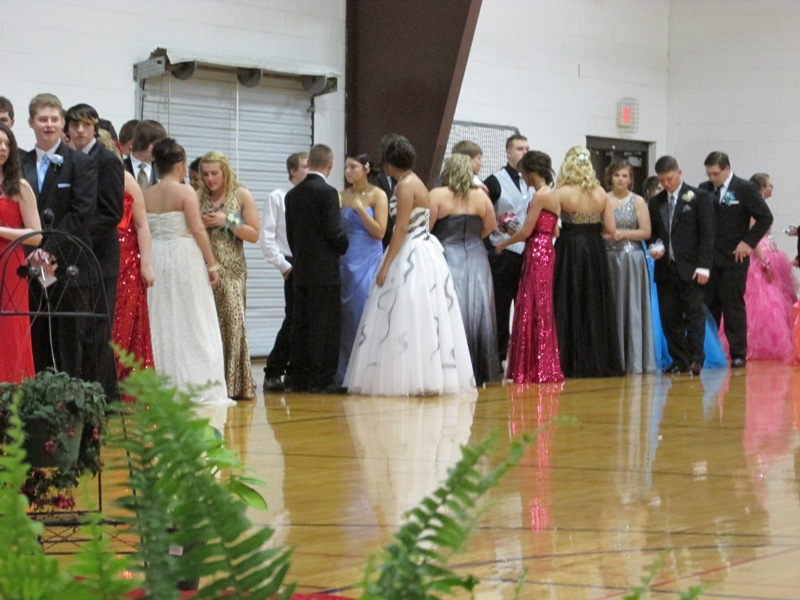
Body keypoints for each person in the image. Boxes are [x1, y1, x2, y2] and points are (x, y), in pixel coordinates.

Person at [343, 138, 475, 396]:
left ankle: (410, 376)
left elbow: (401, 228)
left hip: (411, 250)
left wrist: (385, 266)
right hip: (423, 249)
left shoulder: (405, 186)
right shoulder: (412, 181)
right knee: (418, 311)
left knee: (406, 310)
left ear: (390, 164)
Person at [144, 138, 232, 406]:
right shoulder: (185, 192)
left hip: (157, 254)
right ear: (180, 164)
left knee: (161, 316)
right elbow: (197, 230)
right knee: (194, 317)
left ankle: (162, 381)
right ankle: (194, 382)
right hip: (184, 256)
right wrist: (212, 263)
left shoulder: (146, 193)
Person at [22, 93, 98, 378]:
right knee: (34, 337)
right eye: (43, 119)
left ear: (62, 122)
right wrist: (31, 250)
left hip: (68, 264)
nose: (49, 125)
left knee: (67, 340)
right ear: (31, 122)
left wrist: (49, 250)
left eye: (54, 119)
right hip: (27, 264)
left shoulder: (80, 163)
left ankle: (67, 400)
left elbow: (81, 213)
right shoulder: (20, 163)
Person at [64, 103, 125, 403]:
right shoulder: (66, 158)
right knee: (78, 328)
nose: (79, 130)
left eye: (85, 125)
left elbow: (112, 212)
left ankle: (104, 397)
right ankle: (86, 393)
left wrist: (77, 239)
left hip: (100, 255)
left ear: (95, 128)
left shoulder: (108, 160)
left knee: (98, 328)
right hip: (73, 256)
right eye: (74, 125)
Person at [430, 153, 500, 386]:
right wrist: (473, 238)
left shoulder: (437, 194)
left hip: (447, 254)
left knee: (452, 309)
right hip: (477, 256)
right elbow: (491, 226)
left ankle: (453, 369)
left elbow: (426, 228)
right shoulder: (481, 196)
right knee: (480, 310)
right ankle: (481, 369)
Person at [552, 146, 622, 378]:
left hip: (569, 249)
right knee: (594, 301)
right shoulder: (601, 193)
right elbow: (611, 229)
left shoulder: (560, 192)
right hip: (594, 250)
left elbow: (553, 229)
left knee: (568, 299)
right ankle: (597, 360)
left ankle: (568, 361)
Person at [494, 150, 563, 384]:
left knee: (530, 306)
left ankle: (532, 367)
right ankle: (541, 365)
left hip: (536, 252)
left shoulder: (540, 196)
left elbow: (525, 231)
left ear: (532, 173)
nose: (522, 177)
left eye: (524, 173)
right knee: (540, 306)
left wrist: (503, 243)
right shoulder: (552, 195)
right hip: (546, 250)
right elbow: (555, 231)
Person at [285, 144, 349, 394]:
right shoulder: (328, 193)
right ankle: (322, 379)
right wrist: (344, 244)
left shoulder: (293, 195)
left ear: (310, 163)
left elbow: (291, 234)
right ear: (330, 164)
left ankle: (300, 377)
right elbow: (334, 231)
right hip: (324, 271)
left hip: (301, 269)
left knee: (301, 324)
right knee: (325, 325)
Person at [699, 151, 773, 367]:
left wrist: (748, 242)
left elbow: (765, 217)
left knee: (733, 306)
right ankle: (708, 352)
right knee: (708, 306)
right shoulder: (704, 189)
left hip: (734, 258)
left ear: (727, 168)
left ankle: (738, 352)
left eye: (715, 173)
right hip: (709, 259)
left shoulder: (745, 188)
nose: (711, 178)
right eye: (708, 174)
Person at [199, 150, 259, 400]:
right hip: (205, 268)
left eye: (214, 173)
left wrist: (228, 221)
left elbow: (254, 233)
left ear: (225, 172)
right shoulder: (198, 196)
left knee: (234, 323)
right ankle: (211, 382)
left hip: (233, 269)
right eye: (205, 174)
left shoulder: (241, 194)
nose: (210, 179)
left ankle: (235, 384)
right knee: (209, 324)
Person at [648, 155, 715, 376]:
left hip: (692, 269)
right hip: (666, 268)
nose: (666, 184)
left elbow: (707, 234)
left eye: (669, 179)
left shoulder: (699, 197)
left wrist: (704, 266)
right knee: (670, 317)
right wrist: (654, 246)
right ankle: (679, 359)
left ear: (679, 172)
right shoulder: (655, 202)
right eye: (662, 180)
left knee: (694, 315)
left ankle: (696, 358)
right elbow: (654, 234)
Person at [336, 153, 388, 386]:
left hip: (368, 261)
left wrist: (360, 210)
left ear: (366, 169)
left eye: (353, 167)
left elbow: (380, 232)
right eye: (346, 167)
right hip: (346, 261)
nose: (348, 171)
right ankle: (343, 374)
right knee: (345, 318)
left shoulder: (378, 195)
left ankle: (368, 373)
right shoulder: (342, 195)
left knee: (364, 314)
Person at [261, 151, 309, 392]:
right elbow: (267, 236)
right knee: (293, 318)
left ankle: (295, 370)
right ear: (293, 170)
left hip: (311, 261)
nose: (310, 170)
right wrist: (284, 265)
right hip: (291, 261)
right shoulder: (278, 197)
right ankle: (273, 369)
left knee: (307, 319)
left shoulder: (312, 195)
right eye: (305, 166)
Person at [604, 159, 656, 374]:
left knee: (632, 304)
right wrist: (607, 237)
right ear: (610, 177)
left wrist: (623, 233)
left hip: (632, 258)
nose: (620, 179)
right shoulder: (603, 199)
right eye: (617, 175)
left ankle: (634, 358)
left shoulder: (638, 201)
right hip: (608, 258)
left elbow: (646, 231)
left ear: (630, 179)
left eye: (624, 176)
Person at [483, 134, 531, 363]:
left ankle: (521, 358)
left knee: (525, 308)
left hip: (528, 254)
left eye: (527, 149)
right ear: (508, 152)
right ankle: (498, 357)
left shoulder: (532, 181)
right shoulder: (494, 181)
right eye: (520, 149)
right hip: (503, 254)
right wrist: (490, 249)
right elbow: (484, 215)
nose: (524, 153)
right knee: (501, 309)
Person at [738, 173, 796, 361]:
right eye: (769, 185)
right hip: (761, 254)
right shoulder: (753, 207)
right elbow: (753, 237)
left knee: (777, 296)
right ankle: (757, 342)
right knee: (763, 300)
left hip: (770, 252)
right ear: (762, 187)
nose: (772, 188)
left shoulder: (761, 205)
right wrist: (763, 260)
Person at [0, 124, 41, 382]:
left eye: (7, 144)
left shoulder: (20, 187)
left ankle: (11, 390)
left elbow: (36, 235)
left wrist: (1, 230)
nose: (2, 149)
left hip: (9, 264)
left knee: (10, 328)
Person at [112, 156, 155, 391]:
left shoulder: (127, 180)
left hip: (128, 258)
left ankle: (120, 381)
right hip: (103, 255)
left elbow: (142, 225)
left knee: (126, 321)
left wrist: (145, 264)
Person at [124, 119, 167, 190]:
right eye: (156, 145)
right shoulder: (120, 167)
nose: (159, 149)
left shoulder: (163, 170)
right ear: (142, 142)